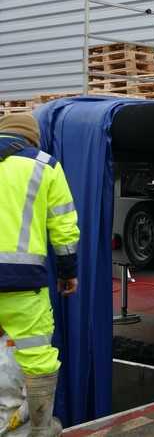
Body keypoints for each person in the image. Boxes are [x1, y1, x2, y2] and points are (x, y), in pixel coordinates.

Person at [0, 113, 80, 436]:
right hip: (23, 284)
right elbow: (63, 228)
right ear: (32, 139)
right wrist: (67, 273)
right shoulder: (45, 165)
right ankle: (42, 428)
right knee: (37, 357)